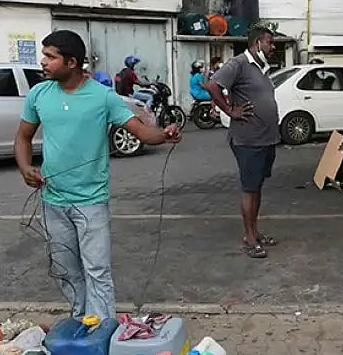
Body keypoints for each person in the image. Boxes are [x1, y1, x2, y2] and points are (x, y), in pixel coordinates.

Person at [14, 30, 180, 320]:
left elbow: (142, 132)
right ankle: (80, 319)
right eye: (44, 55)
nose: (43, 62)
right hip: (52, 201)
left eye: (50, 57)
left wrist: (164, 135)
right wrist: (26, 168)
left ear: (72, 62)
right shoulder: (39, 94)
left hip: (91, 202)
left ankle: (102, 328)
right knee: (65, 269)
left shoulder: (104, 97)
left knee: (97, 270)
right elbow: (23, 138)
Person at [207, 27, 281, 259]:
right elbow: (213, 85)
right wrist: (230, 110)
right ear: (257, 43)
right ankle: (249, 237)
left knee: (257, 185)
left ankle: (255, 232)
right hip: (248, 139)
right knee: (250, 188)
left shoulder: (260, 68)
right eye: (270, 42)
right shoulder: (239, 63)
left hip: (265, 139)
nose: (273, 47)